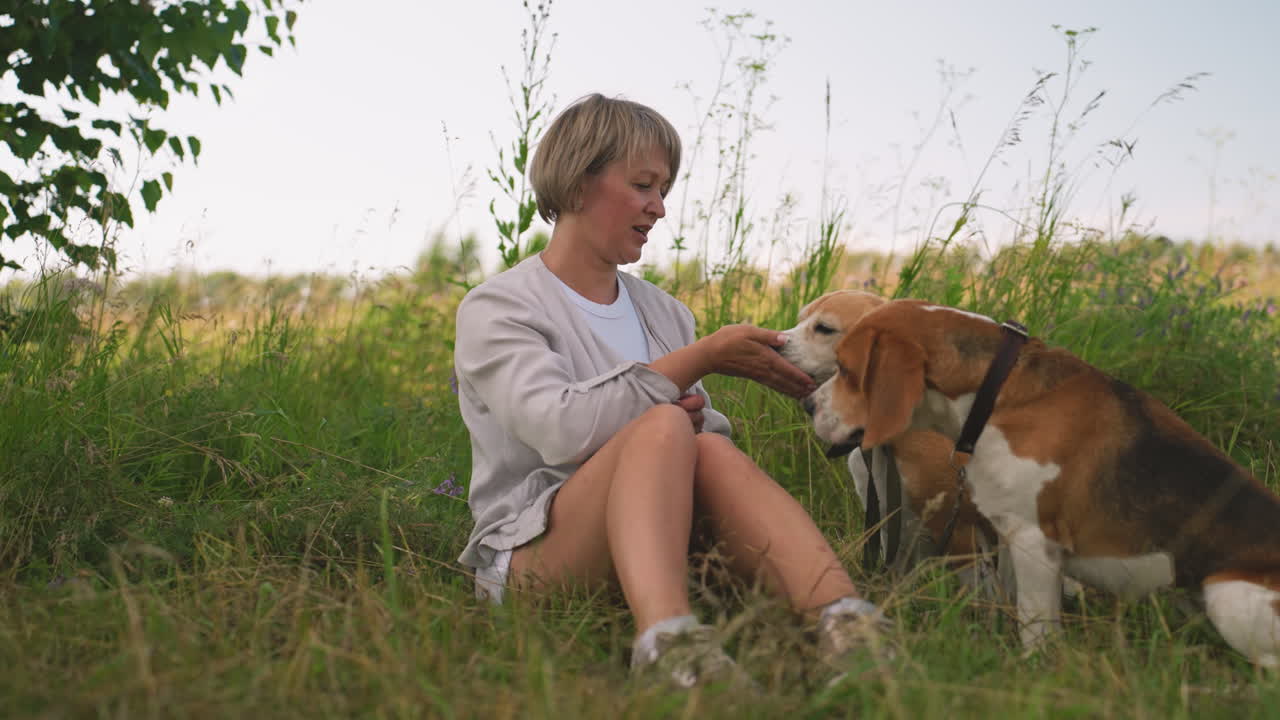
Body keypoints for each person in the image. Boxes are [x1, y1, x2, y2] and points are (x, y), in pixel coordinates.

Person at [453, 93, 888, 688]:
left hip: (668, 541)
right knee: (660, 425)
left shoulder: (664, 312)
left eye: (664, 191)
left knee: (705, 445)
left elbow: (702, 445)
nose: (658, 207)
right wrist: (698, 361)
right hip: (540, 560)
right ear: (578, 185)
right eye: (642, 186)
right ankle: (668, 647)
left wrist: (682, 412)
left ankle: (851, 628)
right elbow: (560, 431)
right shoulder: (498, 307)